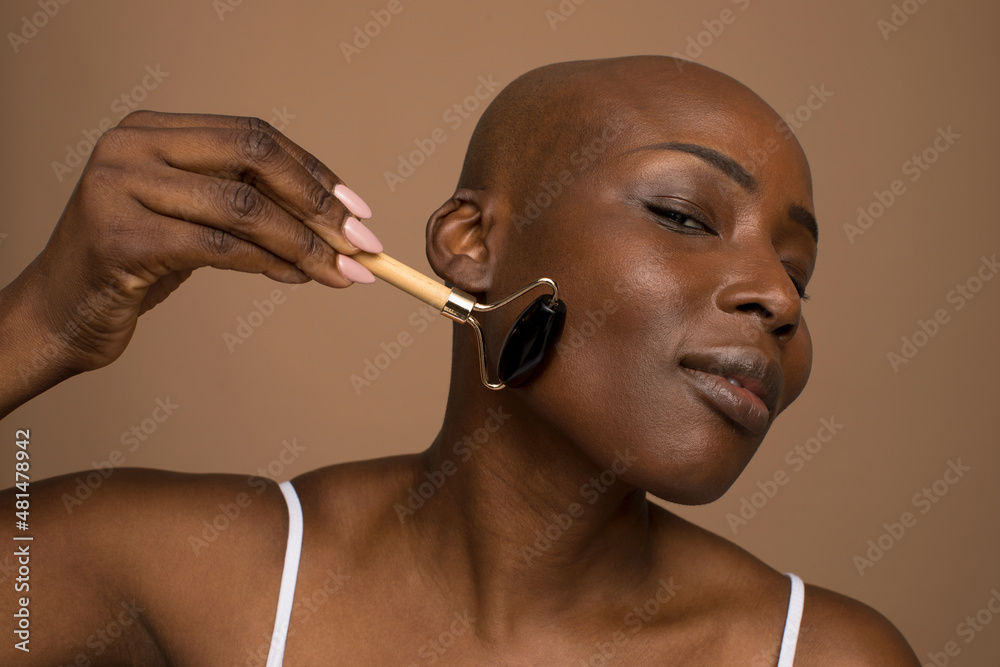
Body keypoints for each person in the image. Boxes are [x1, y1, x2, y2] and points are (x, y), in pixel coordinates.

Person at [0, 55, 920, 665]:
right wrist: (41, 320)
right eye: (684, 215)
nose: (780, 298)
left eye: (797, 272)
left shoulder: (826, 653)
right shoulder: (199, 574)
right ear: (470, 241)